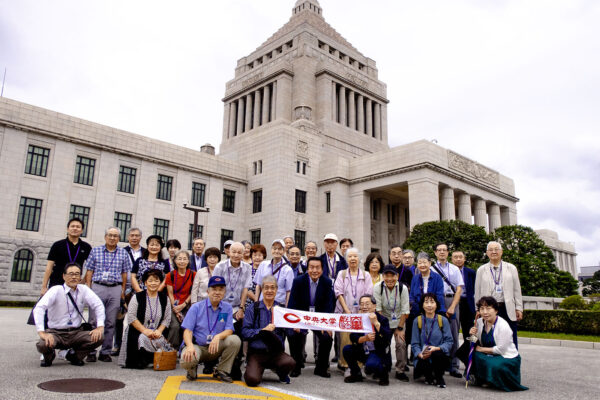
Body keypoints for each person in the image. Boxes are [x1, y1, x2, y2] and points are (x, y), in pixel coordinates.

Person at [34, 263, 104, 367]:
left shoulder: (83, 289)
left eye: (77, 274)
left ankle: (74, 356)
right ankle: (49, 355)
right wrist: (42, 332)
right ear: (64, 276)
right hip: (56, 333)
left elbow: (98, 305)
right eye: (71, 274)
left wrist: (100, 327)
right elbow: (39, 308)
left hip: (76, 333)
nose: (74, 277)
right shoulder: (56, 290)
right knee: (43, 344)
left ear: (80, 277)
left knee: (99, 337)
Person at [84, 226, 132, 362]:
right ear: (105, 237)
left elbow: (125, 274)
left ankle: (105, 351)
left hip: (115, 288)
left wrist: (122, 292)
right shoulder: (96, 250)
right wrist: (88, 288)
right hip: (98, 287)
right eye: (110, 235)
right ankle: (91, 351)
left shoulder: (123, 253)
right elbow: (89, 271)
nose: (112, 238)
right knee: (93, 320)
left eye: (115, 236)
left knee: (111, 321)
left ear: (119, 238)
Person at [180, 276, 241, 383]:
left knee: (235, 340)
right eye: (214, 289)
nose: (217, 292)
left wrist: (218, 336)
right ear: (208, 291)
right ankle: (191, 370)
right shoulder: (196, 307)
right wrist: (189, 346)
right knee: (186, 360)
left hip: (216, 346)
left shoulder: (227, 308)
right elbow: (187, 331)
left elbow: (229, 330)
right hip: (198, 346)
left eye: (220, 289)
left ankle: (222, 370)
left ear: (224, 292)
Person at [464, 296, 528, 391]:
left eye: (488, 308)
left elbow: (501, 350)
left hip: (505, 356)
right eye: (482, 309)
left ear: (496, 310)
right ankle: (482, 378)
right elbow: (473, 342)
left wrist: (481, 349)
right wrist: (472, 333)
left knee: (494, 365)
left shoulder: (503, 326)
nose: (485, 312)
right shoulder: (479, 322)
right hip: (488, 354)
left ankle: (494, 381)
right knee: (469, 351)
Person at [242, 275, 296, 387]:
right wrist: (261, 331)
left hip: (275, 353)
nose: (269, 291)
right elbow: (245, 332)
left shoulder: (281, 310)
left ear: (277, 290)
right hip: (257, 353)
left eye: (272, 288)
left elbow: (289, 333)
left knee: (290, 363)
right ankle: (255, 368)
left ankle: (280, 372)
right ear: (262, 289)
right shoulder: (253, 308)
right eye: (266, 288)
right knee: (252, 380)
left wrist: (294, 329)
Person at [287, 257, 335, 378]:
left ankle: (321, 368)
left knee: (327, 336)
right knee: (293, 334)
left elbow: (329, 305)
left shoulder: (327, 282)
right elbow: (292, 304)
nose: (314, 270)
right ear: (307, 269)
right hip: (301, 318)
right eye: (311, 267)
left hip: (318, 318)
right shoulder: (298, 281)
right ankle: (296, 366)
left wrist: (326, 325)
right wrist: (295, 324)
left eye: (317, 268)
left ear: (322, 270)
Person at [213, 242, 253, 380]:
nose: (236, 255)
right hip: (222, 307)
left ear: (244, 254)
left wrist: (241, 308)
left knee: (238, 335)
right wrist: (218, 308)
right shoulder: (220, 266)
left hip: (237, 307)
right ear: (228, 252)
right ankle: (214, 363)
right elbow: (215, 289)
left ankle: (234, 367)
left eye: (239, 252)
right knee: (220, 333)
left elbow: (245, 289)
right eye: (233, 252)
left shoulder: (247, 268)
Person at [118, 269, 172, 369]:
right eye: (150, 280)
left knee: (161, 341)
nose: (153, 283)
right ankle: (143, 359)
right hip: (138, 331)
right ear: (145, 282)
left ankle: (152, 358)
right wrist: (145, 331)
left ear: (160, 282)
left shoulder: (165, 298)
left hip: (156, 332)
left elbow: (167, 318)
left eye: (156, 280)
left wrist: (159, 331)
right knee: (143, 338)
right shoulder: (137, 297)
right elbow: (132, 317)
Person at [475, 241, 523, 347]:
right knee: (490, 336)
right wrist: (478, 309)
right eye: (491, 250)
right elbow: (477, 291)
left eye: (496, 249)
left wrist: (519, 307)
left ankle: (511, 360)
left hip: (507, 307)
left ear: (501, 252)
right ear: (487, 253)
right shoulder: (481, 270)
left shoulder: (511, 268)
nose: (494, 252)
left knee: (510, 336)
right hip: (489, 308)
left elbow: (517, 289)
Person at [334, 247, 373, 370]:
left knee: (360, 339)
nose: (352, 259)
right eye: (350, 256)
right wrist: (346, 310)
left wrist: (362, 311)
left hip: (361, 314)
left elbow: (368, 294)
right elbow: (338, 292)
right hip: (345, 313)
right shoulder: (342, 274)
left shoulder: (366, 275)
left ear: (359, 259)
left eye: (355, 256)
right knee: (344, 339)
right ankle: (344, 364)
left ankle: (359, 364)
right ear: (346, 259)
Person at [343, 295, 392, 386]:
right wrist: (365, 338)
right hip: (364, 349)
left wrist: (376, 323)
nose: (364, 307)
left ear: (374, 306)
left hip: (377, 352)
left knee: (371, 365)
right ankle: (356, 374)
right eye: (362, 304)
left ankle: (383, 375)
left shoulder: (382, 319)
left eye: (367, 304)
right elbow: (353, 336)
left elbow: (387, 337)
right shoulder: (358, 318)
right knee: (347, 349)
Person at [432, 242, 464, 378]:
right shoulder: (432, 268)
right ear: (435, 253)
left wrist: (452, 306)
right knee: (436, 333)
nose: (442, 252)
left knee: (453, 334)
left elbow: (459, 289)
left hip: (452, 300)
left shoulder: (454, 269)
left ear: (448, 253)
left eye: (444, 250)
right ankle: (439, 363)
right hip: (436, 301)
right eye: (439, 250)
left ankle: (454, 365)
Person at [408, 252, 446, 367]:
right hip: (417, 310)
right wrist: (416, 307)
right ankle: (416, 356)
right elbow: (412, 296)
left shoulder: (437, 277)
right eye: (420, 263)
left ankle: (435, 357)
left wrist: (433, 308)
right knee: (416, 333)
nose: (422, 265)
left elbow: (439, 295)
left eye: (425, 262)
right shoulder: (415, 278)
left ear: (430, 263)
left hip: (433, 310)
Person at [373, 265, 410, 382]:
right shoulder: (377, 287)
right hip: (384, 320)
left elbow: (405, 310)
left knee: (401, 343)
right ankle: (383, 366)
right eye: (386, 275)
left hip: (399, 320)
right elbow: (378, 309)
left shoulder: (402, 288)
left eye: (392, 275)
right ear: (382, 276)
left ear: (397, 276)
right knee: (383, 343)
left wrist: (400, 327)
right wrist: (383, 326)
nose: (389, 279)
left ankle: (400, 370)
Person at [411, 293, 453, 388]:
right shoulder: (417, 321)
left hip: (439, 355)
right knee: (424, 361)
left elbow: (449, 341)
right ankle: (428, 375)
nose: (429, 305)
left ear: (436, 304)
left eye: (432, 302)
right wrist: (420, 354)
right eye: (426, 302)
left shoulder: (443, 320)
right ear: (422, 305)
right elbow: (414, 343)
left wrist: (436, 348)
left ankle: (439, 377)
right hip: (423, 355)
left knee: (437, 355)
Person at [41, 217, 92, 295]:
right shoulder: (57, 245)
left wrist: (83, 281)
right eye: (72, 226)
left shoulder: (86, 247)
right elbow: (49, 267)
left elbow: (90, 269)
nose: (75, 228)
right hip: (57, 282)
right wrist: (44, 286)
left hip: (75, 283)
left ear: (82, 231)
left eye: (78, 227)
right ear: (68, 229)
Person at [115, 227, 145, 356]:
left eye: (137, 235)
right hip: (125, 287)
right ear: (128, 237)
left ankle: (137, 344)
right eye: (132, 235)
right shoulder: (122, 251)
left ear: (140, 237)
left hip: (140, 288)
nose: (134, 238)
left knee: (139, 317)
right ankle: (117, 344)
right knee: (120, 317)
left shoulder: (146, 252)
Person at [165, 250, 196, 349]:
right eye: (179, 259)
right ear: (174, 261)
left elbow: (193, 292)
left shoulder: (193, 274)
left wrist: (183, 305)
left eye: (184, 259)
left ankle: (185, 348)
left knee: (186, 326)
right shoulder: (170, 275)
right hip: (173, 305)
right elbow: (170, 293)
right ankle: (171, 349)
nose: (182, 261)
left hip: (187, 305)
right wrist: (175, 308)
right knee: (175, 326)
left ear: (188, 261)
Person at [254, 240, 294, 306]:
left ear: (284, 251)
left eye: (279, 249)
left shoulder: (288, 270)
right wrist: (256, 302)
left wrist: (286, 309)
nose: (277, 251)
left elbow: (288, 291)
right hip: (263, 304)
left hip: (279, 305)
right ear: (271, 250)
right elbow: (258, 285)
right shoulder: (263, 265)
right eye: (274, 248)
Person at [452, 250, 476, 341]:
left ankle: (470, 351)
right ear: (452, 259)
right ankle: (454, 352)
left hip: (467, 303)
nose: (458, 259)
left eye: (460, 257)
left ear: (464, 259)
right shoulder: (450, 272)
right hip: (454, 302)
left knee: (470, 330)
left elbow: (474, 288)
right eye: (455, 257)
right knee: (454, 329)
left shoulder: (471, 272)